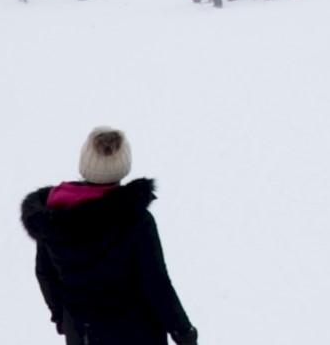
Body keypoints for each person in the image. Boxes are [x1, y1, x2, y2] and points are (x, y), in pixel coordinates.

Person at [21, 128, 198, 345]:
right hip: (135, 333)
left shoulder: (53, 214)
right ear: (123, 167)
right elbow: (156, 283)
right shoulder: (135, 219)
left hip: (81, 332)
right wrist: (183, 331)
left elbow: (45, 273)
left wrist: (62, 316)